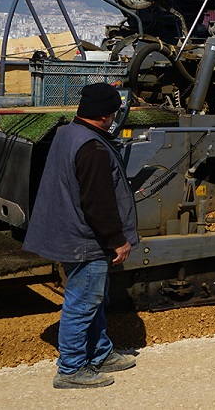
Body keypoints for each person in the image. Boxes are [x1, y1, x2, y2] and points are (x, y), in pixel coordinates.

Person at [23, 82, 141, 389]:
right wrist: (117, 239)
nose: (115, 117)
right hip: (85, 240)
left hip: (68, 231)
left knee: (93, 298)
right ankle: (71, 369)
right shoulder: (93, 148)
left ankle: (100, 353)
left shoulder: (67, 133)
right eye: (114, 113)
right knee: (82, 303)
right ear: (105, 116)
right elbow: (97, 203)